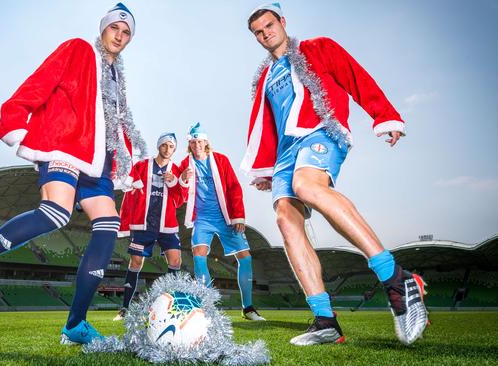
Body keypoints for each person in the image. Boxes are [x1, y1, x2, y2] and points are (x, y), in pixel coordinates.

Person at [0, 3, 148, 346]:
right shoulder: (78, 48)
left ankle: (75, 325)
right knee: (55, 212)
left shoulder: (116, 77)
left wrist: (125, 163)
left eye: (127, 33)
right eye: (115, 29)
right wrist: (15, 121)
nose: (120, 37)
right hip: (66, 145)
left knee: (108, 226)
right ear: (103, 29)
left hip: (99, 162)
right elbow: (41, 81)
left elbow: (114, 124)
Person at [242, 3, 427, 345]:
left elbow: (355, 75)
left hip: (322, 131)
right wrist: (266, 168)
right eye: (258, 31)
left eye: (269, 25)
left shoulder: (317, 48)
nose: (265, 33)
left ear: (282, 23)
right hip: (285, 153)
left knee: (307, 186)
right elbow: (268, 125)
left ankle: (396, 278)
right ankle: (325, 319)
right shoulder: (266, 77)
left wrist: (384, 116)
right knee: (286, 219)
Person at [179, 122, 265, 321]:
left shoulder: (220, 160)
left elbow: (234, 187)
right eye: (193, 142)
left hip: (225, 217)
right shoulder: (186, 164)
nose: (196, 145)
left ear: (206, 142)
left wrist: (238, 216)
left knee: (245, 257)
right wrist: (182, 179)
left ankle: (248, 307)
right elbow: (181, 195)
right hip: (202, 219)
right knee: (198, 254)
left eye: (199, 141)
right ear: (190, 145)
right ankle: (208, 306)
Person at [113, 132, 184, 321]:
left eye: (171, 146)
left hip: (166, 224)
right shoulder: (142, 166)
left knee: (176, 260)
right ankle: (125, 308)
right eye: (164, 145)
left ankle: (172, 307)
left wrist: (174, 182)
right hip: (143, 224)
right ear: (158, 146)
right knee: (135, 262)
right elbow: (127, 184)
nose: (167, 149)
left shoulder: (175, 170)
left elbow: (180, 199)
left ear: (174, 149)